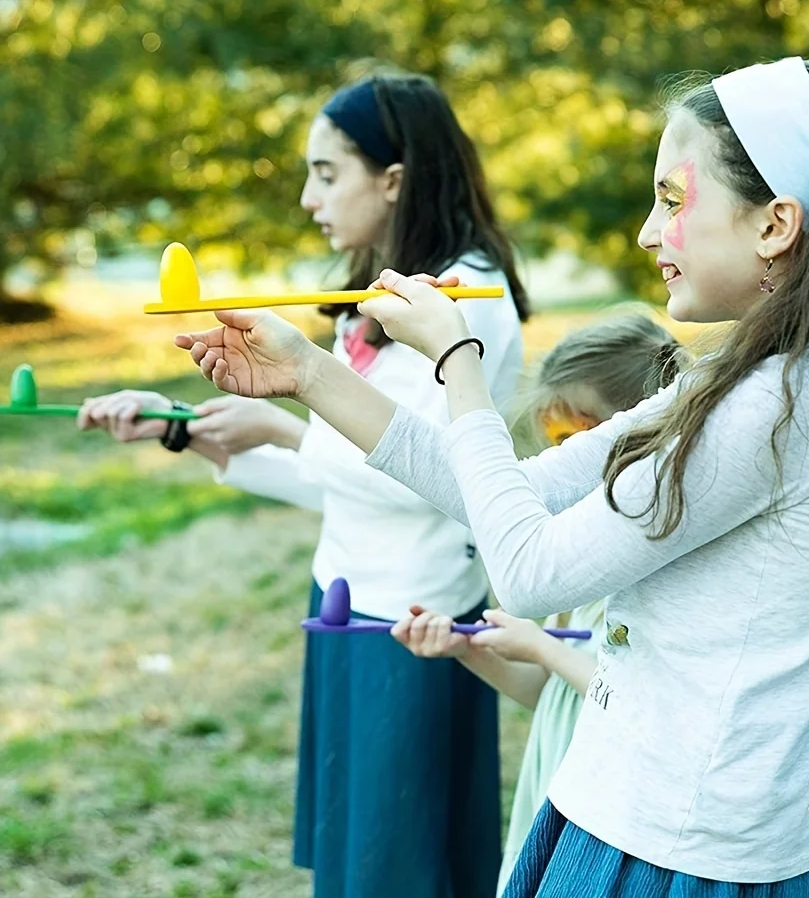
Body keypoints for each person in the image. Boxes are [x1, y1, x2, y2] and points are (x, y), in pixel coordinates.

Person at [174, 57, 809, 898]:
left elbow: (528, 571)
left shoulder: (784, 406)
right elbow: (512, 487)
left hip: (680, 851)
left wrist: (457, 362)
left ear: (774, 223)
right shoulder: (769, 378)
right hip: (648, 813)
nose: (647, 230)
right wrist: (308, 373)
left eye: (672, 199)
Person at [79, 73, 530, 898]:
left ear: (393, 178)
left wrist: (283, 423)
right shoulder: (383, 293)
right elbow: (349, 482)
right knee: (357, 866)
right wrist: (187, 429)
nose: (306, 196)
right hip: (346, 602)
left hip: (412, 626)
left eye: (326, 173)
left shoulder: (465, 295)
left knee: (400, 873)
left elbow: (426, 477)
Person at [391, 313, 682, 896]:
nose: (564, 463)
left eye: (574, 441)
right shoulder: (572, 560)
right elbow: (546, 695)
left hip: (621, 812)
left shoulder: (660, 558)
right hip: (558, 789)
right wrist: (472, 652)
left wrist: (543, 648)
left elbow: (634, 693)